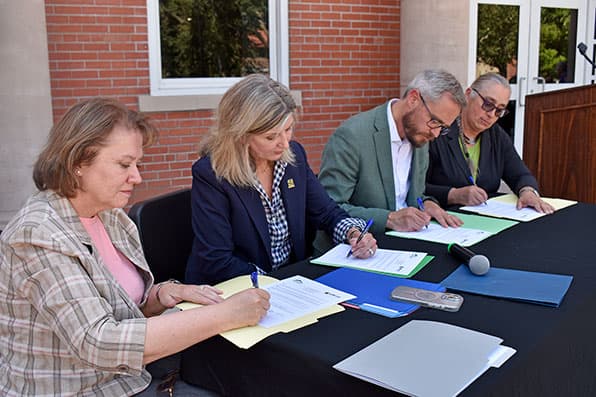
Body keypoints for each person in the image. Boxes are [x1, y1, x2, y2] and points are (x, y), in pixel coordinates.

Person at [0, 97, 270, 396]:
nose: (137, 177)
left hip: (130, 376)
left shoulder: (111, 216)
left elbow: (123, 309)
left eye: (137, 164)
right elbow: (99, 341)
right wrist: (226, 315)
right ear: (77, 162)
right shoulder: (37, 234)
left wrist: (162, 294)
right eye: (124, 164)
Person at [185, 74, 377, 285]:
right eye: (271, 136)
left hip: (290, 282)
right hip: (237, 290)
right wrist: (275, 283)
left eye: (288, 130)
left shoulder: (293, 157)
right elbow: (217, 260)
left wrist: (353, 232)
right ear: (240, 135)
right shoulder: (212, 174)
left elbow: (326, 212)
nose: (285, 144)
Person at [317, 69, 466, 238]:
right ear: (413, 99)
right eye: (435, 121)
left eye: (443, 127)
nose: (436, 134)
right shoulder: (352, 136)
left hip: (407, 244)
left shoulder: (420, 134)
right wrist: (389, 219)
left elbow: (408, 196)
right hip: (354, 249)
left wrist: (426, 203)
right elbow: (328, 208)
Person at [425, 72, 555, 213]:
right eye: (488, 104)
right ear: (468, 95)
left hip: (484, 219)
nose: (491, 115)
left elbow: (520, 175)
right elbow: (415, 187)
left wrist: (528, 192)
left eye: (499, 110)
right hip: (442, 218)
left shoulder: (496, 135)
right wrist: (452, 195)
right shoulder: (439, 129)